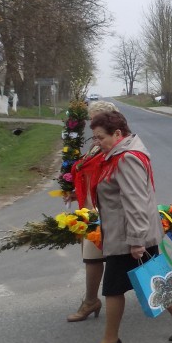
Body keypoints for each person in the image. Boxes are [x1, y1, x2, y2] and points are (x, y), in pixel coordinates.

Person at [84, 111, 172, 343]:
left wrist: (136, 241)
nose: (96, 142)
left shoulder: (125, 159)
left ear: (118, 134)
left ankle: (110, 341)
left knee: (113, 289)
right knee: (150, 281)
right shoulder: (118, 154)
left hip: (130, 237)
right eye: (94, 138)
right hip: (131, 234)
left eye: (100, 137)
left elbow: (135, 202)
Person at [65, 99, 118, 322]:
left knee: (143, 262)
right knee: (92, 259)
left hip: (109, 214)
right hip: (91, 210)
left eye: (95, 120)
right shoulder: (97, 144)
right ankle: (91, 300)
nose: (90, 126)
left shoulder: (116, 147)